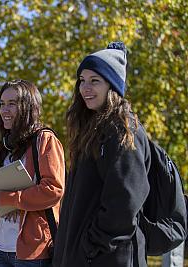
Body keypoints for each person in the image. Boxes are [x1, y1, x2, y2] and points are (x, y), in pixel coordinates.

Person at [53, 42, 151, 267]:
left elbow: (124, 204)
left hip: (106, 258)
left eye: (94, 81)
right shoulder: (91, 130)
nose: (85, 88)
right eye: (82, 81)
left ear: (112, 86)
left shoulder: (123, 130)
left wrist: (89, 246)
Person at [0, 79, 65, 267]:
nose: (4, 110)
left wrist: (8, 199)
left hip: (33, 253)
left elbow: (54, 190)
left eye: (12, 104)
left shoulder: (45, 140)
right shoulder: (0, 151)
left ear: (28, 106)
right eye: (2, 104)